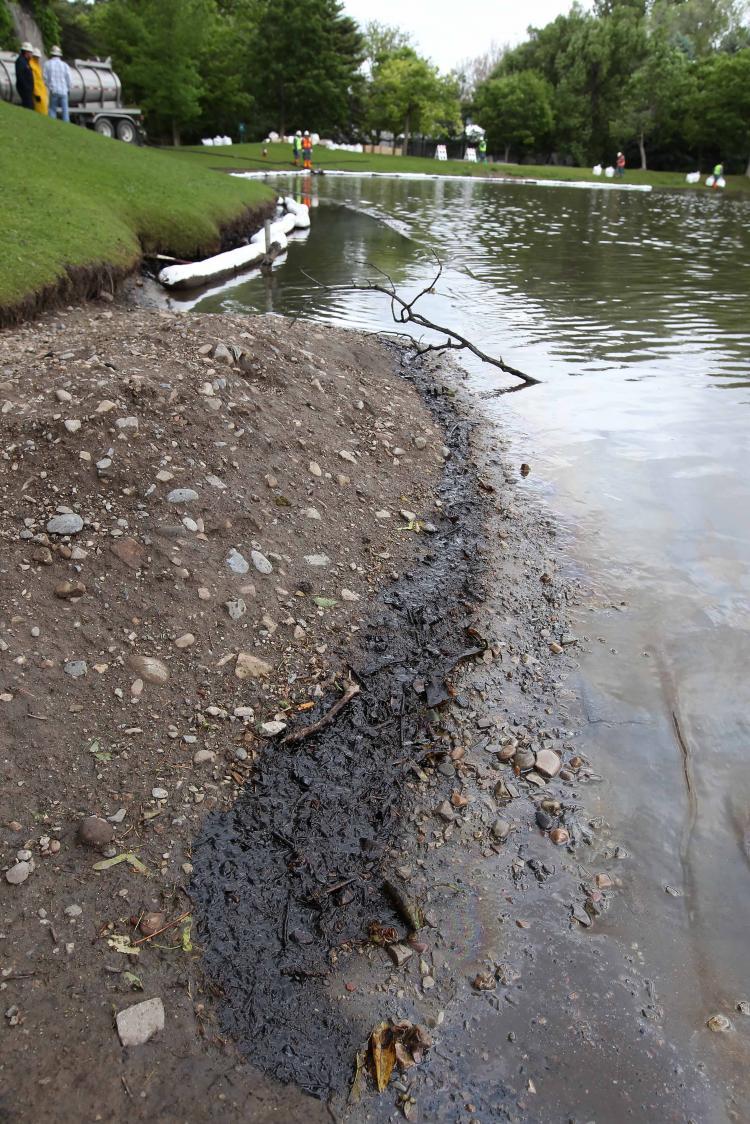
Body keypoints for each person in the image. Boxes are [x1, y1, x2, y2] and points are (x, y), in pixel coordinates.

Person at [44, 45, 71, 123]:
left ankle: (52, 124)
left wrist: (49, 86)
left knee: (52, 109)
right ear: (60, 55)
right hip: (63, 91)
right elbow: (69, 79)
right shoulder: (65, 65)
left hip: (54, 90)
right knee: (65, 111)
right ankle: (66, 125)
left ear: (51, 54)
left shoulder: (47, 64)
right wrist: (68, 88)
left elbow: (45, 78)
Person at [14, 41, 34, 110]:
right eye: (30, 52)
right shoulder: (21, 61)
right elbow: (20, 76)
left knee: (30, 106)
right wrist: (26, 87)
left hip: (28, 89)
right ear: (26, 52)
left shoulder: (26, 61)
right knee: (28, 106)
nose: (31, 54)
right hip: (24, 88)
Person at [30, 48, 48, 115]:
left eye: (38, 57)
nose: (37, 58)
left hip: (41, 90)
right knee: (40, 109)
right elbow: (33, 80)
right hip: (38, 92)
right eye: (36, 56)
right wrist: (36, 93)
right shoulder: (32, 65)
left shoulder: (37, 65)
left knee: (44, 108)